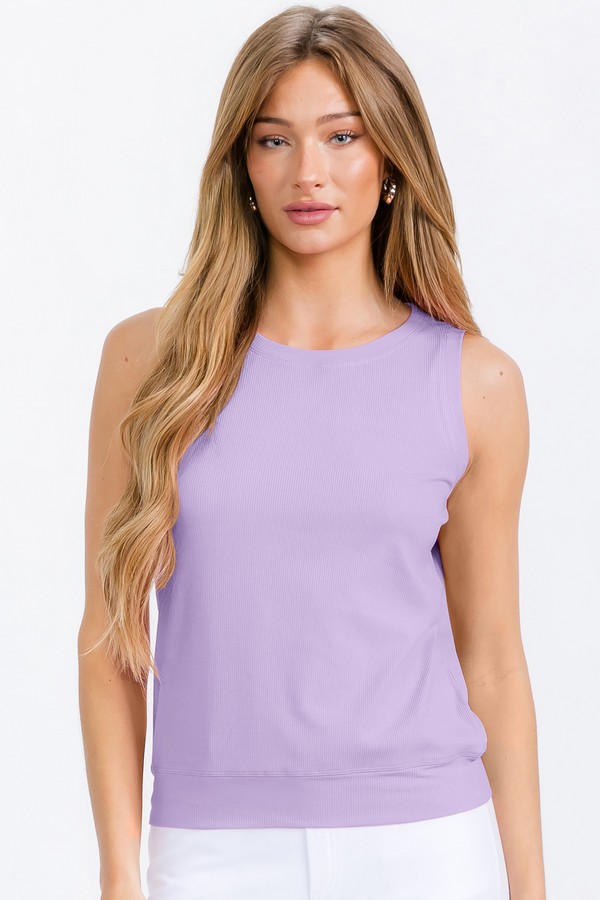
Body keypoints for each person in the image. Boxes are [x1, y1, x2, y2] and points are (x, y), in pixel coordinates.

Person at [78, 5, 546, 899]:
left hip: (426, 847)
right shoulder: (148, 362)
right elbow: (109, 641)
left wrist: (530, 887)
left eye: (342, 136)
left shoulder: (475, 382)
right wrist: (118, 872)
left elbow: (492, 658)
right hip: (209, 851)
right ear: (242, 164)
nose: (309, 173)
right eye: (274, 140)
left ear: (391, 159)